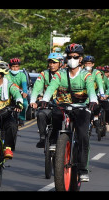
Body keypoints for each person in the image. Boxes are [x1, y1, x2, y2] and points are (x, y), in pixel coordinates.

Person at [39, 43, 98, 182]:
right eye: (69, 57)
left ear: (80, 59)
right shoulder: (60, 74)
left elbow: (90, 89)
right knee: (54, 113)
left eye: (75, 57)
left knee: (83, 135)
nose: (72, 59)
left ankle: (83, 169)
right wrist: (45, 99)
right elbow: (51, 87)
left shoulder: (86, 75)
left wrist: (93, 100)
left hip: (82, 108)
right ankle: (54, 141)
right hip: (63, 106)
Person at [0, 60, 23, 158]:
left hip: (5, 114)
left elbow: (17, 94)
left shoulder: (9, 85)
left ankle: (8, 148)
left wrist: (19, 103)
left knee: (12, 126)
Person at [30, 52, 63, 148]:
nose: (52, 65)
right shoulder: (44, 74)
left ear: (60, 63)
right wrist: (33, 100)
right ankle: (43, 138)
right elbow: (36, 87)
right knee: (40, 114)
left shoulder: (65, 74)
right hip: (48, 104)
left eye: (54, 62)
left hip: (62, 104)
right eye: (50, 62)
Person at [83, 56, 106, 127]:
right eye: (86, 63)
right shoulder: (81, 72)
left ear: (93, 64)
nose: (88, 65)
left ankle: (95, 117)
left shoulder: (97, 73)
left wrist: (102, 94)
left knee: (97, 105)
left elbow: (100, 84)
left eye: (89, 63)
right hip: (82, 95)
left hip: (94, 94)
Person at [8, 58, 28, 126]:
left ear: (19, 67)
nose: (15, 68)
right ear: (10, 67)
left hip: (20, 93)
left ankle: (21, 118)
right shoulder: (7, 74)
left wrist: (24, 92)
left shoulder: (22, 75)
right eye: (13, 66)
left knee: (25, 104)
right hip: (9, 93)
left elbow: (24, 85)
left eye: (16, 67)